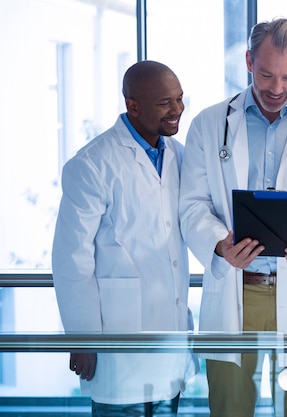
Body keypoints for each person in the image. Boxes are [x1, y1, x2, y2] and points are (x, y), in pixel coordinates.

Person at [178, 17, 287, 417]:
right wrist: (219, 246)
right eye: (266, 75)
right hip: (236, 287)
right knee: (229, 407)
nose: (277, 88)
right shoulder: (209, 124)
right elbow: (192, 204)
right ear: (247, 61)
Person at [52, 60, 196, 417]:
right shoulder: (91, 165)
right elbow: (72, 260)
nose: (177, 110)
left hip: (171, 346)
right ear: (133, 105)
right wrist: (83, 337)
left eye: (179, 99)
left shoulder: (179, 156)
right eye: (165, 102)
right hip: (118, 348)